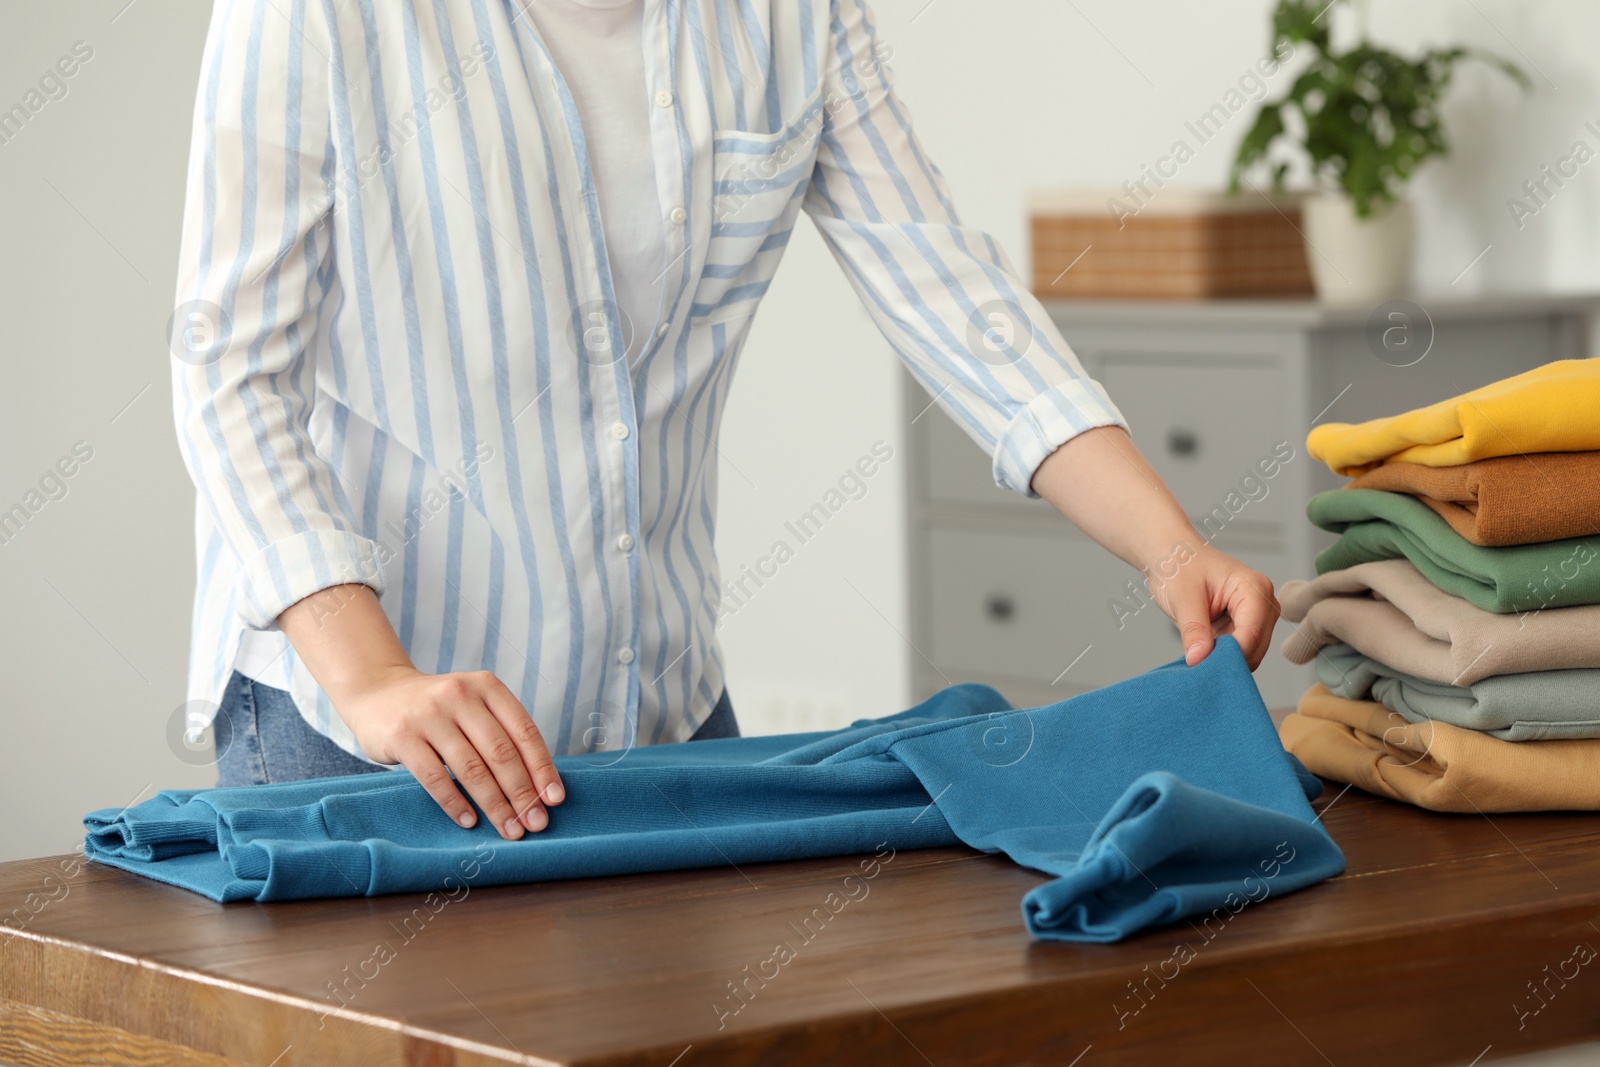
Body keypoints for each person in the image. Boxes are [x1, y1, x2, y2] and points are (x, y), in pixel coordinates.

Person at [171, 0, 1279, 843]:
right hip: (357, 723)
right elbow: (231, 372)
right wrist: (373, 678)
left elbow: (944, 284)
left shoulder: (790, 15)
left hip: (657, 707)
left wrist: (1170, 545)